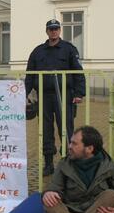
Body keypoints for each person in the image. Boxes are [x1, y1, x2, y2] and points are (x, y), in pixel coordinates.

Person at [25, 19, 86, 176]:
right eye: (51, 29)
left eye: (56, 29)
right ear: (47, 31)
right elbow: (30, 75)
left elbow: (78, 72)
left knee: (66, 129)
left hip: (65, 95)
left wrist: (79, 93)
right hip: (44, 96)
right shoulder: (38, 51)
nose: (53, 31)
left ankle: (69, 161)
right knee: (45, 130)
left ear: (60, 30)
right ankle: (48, 163)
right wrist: (23, 95)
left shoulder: (69, 49)